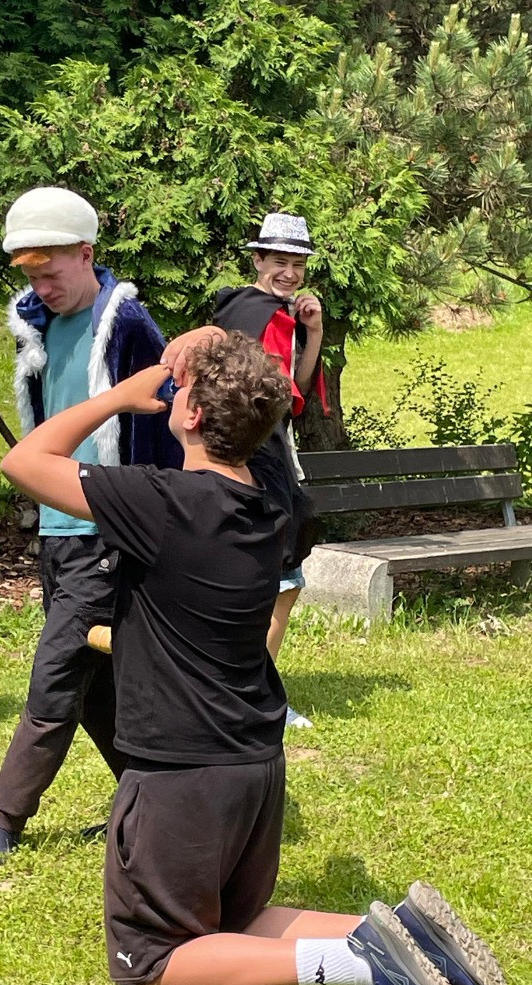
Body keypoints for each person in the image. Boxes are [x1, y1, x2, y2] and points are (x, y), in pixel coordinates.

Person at [0, 331, 506, 985]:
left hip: (183, 771)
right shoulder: (269, 507)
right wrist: (217, 358)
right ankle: (414, 943)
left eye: (181, 391)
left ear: (193, 414)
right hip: (254, 761)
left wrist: (119, 396)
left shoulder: (161, 504)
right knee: (234, 926)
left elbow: (25, 460)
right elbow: (245, 410)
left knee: (151, 961)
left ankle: (368, 964)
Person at [0, 186, 184, 866]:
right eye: (30, 276)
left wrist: (150, 527)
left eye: (51, 272)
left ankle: (6, 820)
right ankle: (148, 803)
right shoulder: (37, 324)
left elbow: (168, 432)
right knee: (96, 682)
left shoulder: (129, 326)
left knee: (57, 674)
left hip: (108, 532)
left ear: (86, 254)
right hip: (57, 530)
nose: (42, 287)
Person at [165, 211, 328, 729]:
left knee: (279, 580)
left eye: (297, 263)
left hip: (274, 449)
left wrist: (313, 332)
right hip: (253, 457)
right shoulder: (246, 310)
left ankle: (249, 691)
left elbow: (296, 391)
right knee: (275, 579)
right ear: (257, 260)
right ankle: (253, 696)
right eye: (279, 261)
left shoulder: (282, 315)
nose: (289, 272)